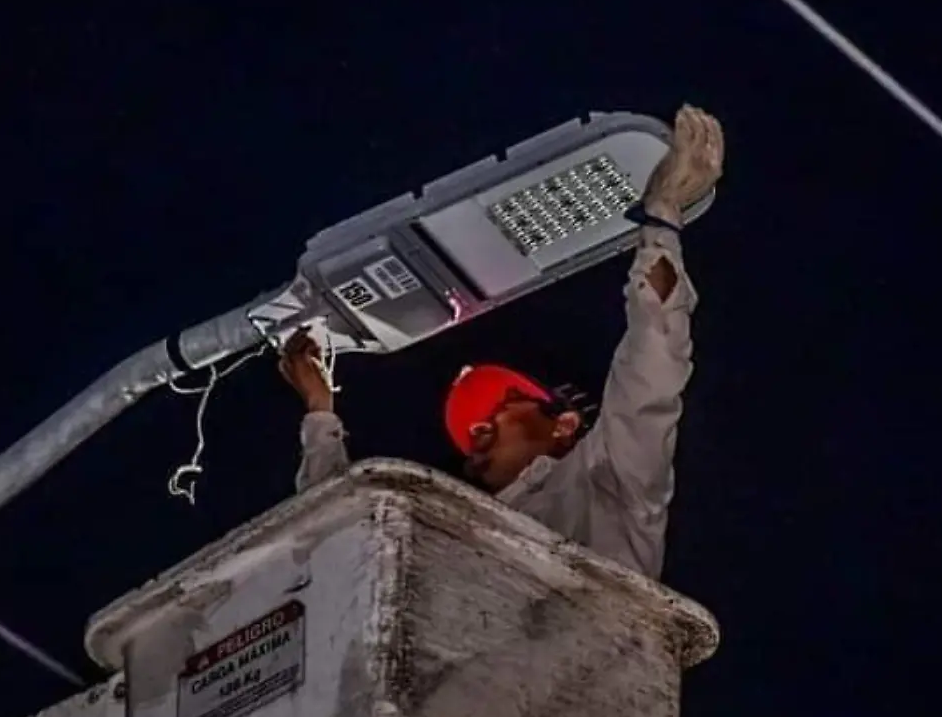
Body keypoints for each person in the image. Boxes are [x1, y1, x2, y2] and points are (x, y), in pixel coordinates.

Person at [278, 104, 724, 581]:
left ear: (564, 424)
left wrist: (661, 218)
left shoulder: (608, 477)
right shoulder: (453, 534)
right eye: (477, 427)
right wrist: (320, 409)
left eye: (497, 406)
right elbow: (338, 537)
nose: (478, 435)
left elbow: (652, 361)